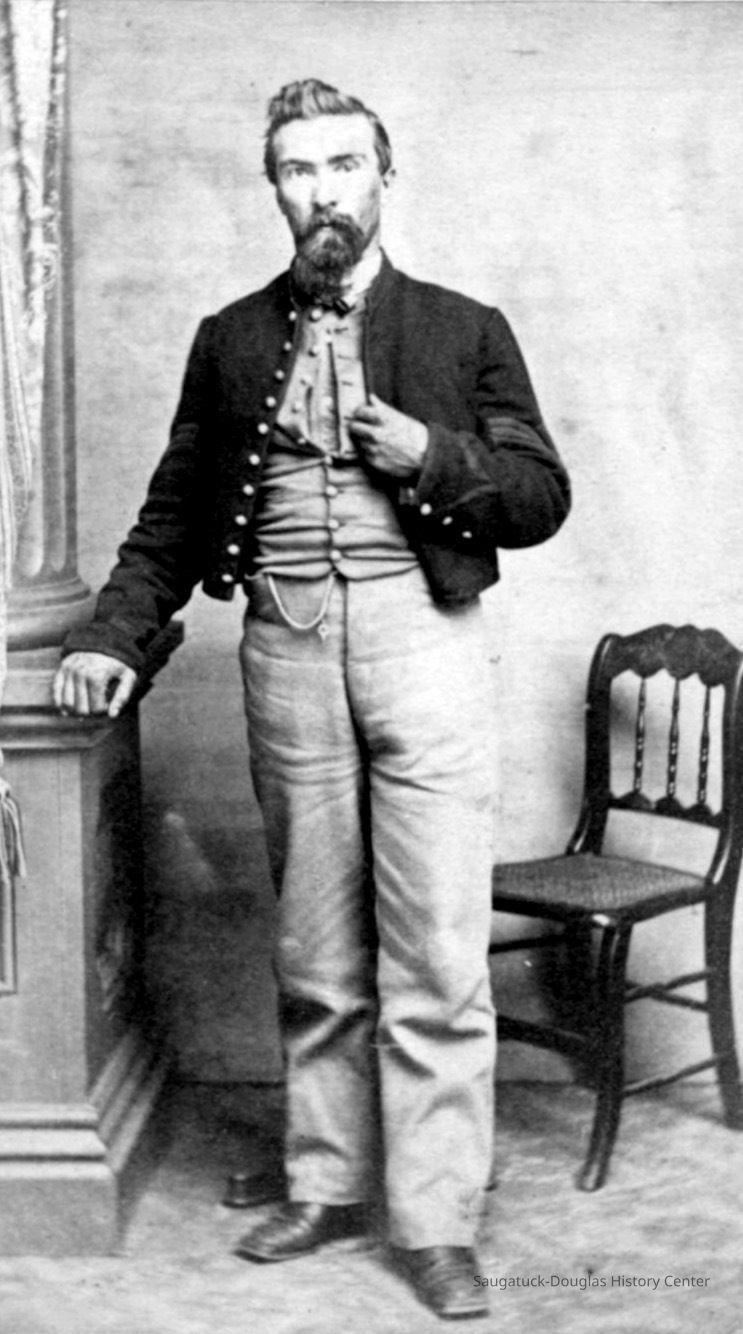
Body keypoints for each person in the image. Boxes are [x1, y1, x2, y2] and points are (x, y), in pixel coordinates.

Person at [54, 79, 570, 1319]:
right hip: (284, 652)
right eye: (298, 168)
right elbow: (174, 515)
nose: (322, 190)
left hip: (425, 644)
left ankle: (434, 1218)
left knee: (434, 950)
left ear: (384, 176)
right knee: (315, 944)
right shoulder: (229, 338)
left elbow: (539, 495)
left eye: (343, 164)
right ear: (274, 187)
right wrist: (113, 634)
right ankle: (328, 1179)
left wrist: (430, 455)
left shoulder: (462, 328)